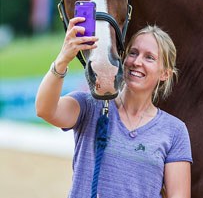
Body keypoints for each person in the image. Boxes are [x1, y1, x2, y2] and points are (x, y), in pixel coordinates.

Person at [36, 17, 192, 198]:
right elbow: (45, 109)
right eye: (133, 53)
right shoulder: (90, 105)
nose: (137, 61)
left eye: (149, 57)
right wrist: (63, 58)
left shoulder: (174, 131)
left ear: (165, 73)